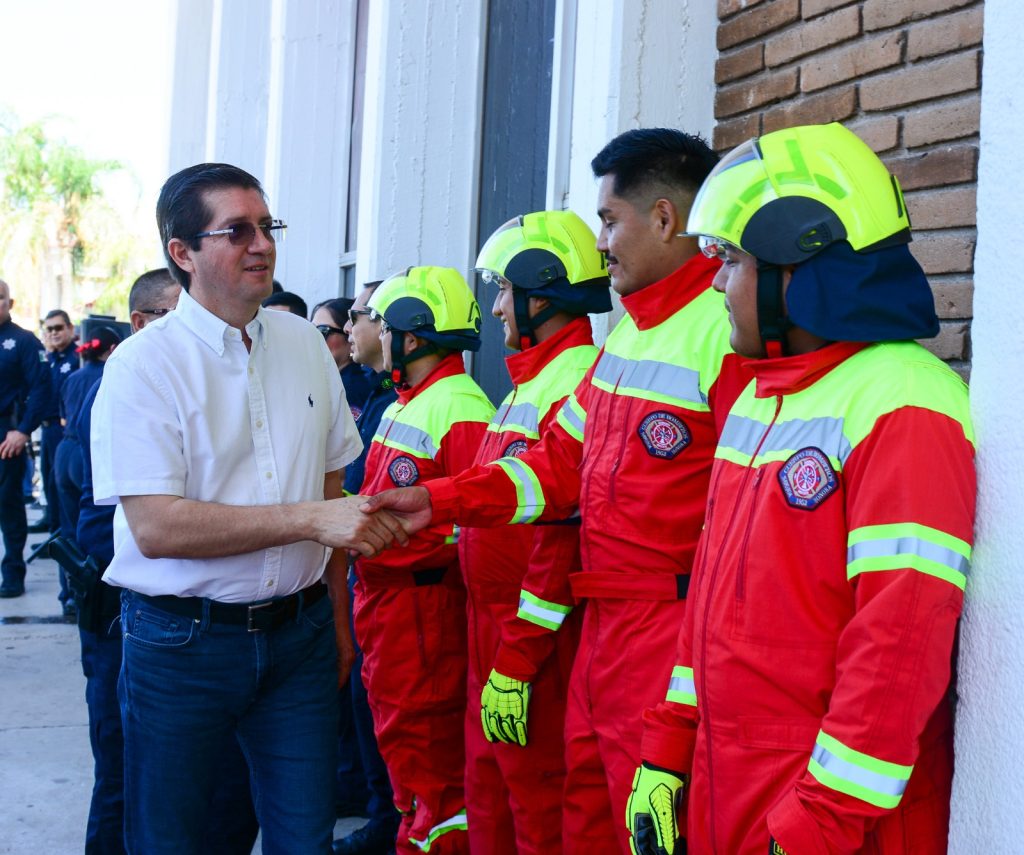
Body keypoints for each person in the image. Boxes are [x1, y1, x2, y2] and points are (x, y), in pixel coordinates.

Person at [363, 129, 747, 853]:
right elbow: (556, 466)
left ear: (664, 218)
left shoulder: (721, 333)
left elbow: (738, 533)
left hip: (666, 636)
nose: (600, 244)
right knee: (581, 823)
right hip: (603, 631)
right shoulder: (628, 340)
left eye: (609, 221)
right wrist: (437, 500)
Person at [625, 122, 976, 855]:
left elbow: (899, 643)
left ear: (798, 264)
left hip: (830, 814)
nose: (715, 283)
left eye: (732, 260)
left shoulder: (905, 400)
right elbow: (707, 610)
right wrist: (667, 749)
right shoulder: (760, 399)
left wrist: (817, 824)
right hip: (732, 784)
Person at [90, 162, 407, 853]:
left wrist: (336, 619)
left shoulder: (305, 346)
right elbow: (157, 526)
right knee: (171, 839)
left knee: (305, 838)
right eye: (236, 230)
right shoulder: (142, 366)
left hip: (300, 640)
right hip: (181, 647)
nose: (262, 243)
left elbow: (330, 489)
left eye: (267, 226)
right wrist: (309, 521)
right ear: (183, 252)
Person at [74, 267, 259, 854]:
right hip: (130, 610)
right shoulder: (125, 384)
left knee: (219, 791)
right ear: (140, 323)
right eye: (182, 313)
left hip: (193, 617)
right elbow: (131, 526)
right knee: (126, 777)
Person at [463, 210, 609, 854]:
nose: (497, 308)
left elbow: (562, 535)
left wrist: (520, 653)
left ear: (540, 291)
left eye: (503, 289)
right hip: (495, 628)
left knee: (538, 806)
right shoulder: (531, 382)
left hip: (537, 639)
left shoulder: (573, 377)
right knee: (492, 797)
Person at [354, 267, 494, 854]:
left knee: (433, 770)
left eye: (385, 327)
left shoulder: (460, 407)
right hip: (390, 609)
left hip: (423, 613)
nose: (378, 337)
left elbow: (477, 527)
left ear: (411, 337)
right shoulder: (406, 405)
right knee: (405, 763)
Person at [332, 281, 401, 855]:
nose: (350, 328)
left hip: (403, 592)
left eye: (358, 316)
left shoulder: (417, 400)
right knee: (366, 708)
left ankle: (389, 821)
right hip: (370, 585)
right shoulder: (386, 397)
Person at [0, 278, 54, 598]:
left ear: (10, 303)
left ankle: (12, 573)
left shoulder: (23, 341)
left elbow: (42, 388)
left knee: (7, 506)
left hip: (7, 434)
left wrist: (23, 430)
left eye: (0, 297)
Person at [29, 308, 79, 537]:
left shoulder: (77, 357)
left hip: (65, 429)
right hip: (48, 428)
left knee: (62, 485)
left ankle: (63, 536)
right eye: (49, 329)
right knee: (49, 482)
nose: (53, 333)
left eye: (58, 328)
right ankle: (53, 528)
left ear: (70, 328)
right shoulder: (48, 358)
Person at [313, 296, 373, 420]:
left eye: (323, 331)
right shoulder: (333, 381)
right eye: (312, 331)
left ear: (350, 335)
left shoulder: (349, 388)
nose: (314, 338)